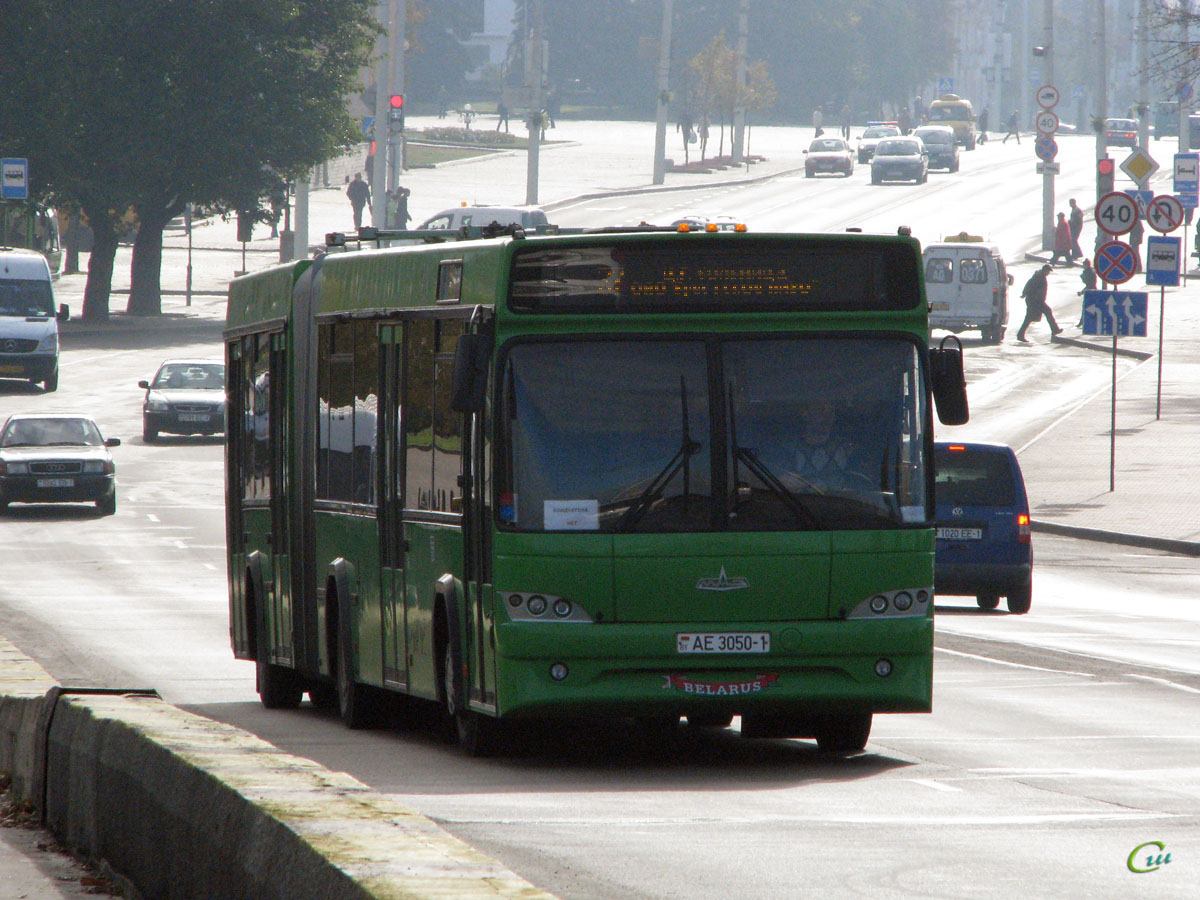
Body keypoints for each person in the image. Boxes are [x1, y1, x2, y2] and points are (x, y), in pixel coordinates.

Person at [1016, 264, 1062, 342]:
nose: (1048, 273)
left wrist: (1024, 294)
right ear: (1044, 270)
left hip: (1038, 301)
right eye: (1048, 271)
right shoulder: (1038, 277)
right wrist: (1025, 293)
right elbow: (1029, 285)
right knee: (1029, 318)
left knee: (1044, 313)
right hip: (1034, 301)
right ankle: (1020, 335)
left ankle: (1055, 329)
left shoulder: (1040, 276)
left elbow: (1029, 285)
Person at [1077, 259, 1097, 327]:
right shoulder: (1090, 271)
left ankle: (1084, 322)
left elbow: (1089, 284)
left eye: (1083, 265)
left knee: (1087, 307)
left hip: (1090, 292)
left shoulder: (1089, 272)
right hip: (1092, 291)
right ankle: (1083, 322)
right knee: (1089, 307)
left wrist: (1082, 292)